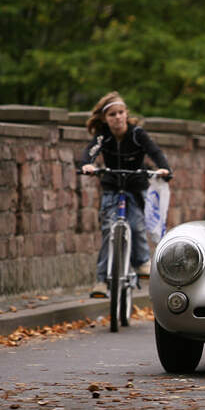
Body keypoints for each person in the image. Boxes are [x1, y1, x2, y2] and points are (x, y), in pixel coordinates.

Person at [80, 91, 171, 297]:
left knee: (137, 225)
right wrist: (87, 164)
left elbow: (155, 152)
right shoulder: (104, 136)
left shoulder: (137, 134)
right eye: (112, 115)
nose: (117, 117)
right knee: (108, 231)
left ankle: (141, 263)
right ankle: (101, 281)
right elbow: (91, 151)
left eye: (121, 113)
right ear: (105, 118)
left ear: (126, 114)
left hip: (135, 187)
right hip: (112, 187)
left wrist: (164, 168)